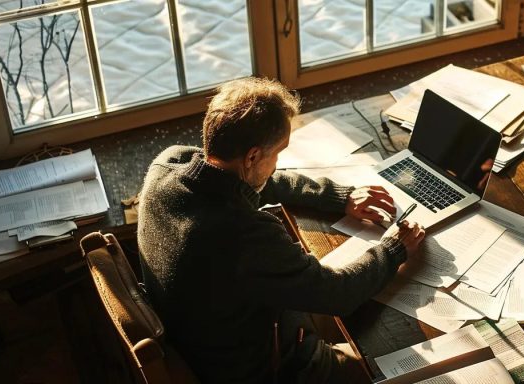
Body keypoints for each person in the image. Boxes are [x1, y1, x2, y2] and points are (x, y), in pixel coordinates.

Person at [136, 77, 425, 383]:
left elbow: (254, 184)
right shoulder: (245, 233)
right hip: (264, 371)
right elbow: (336, 294)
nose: (277, 164)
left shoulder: (169, 164)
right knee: (394, 364)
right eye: (277, 153)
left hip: (198, 340)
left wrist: (339, 197)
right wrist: (393, 249)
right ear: (252, 157)